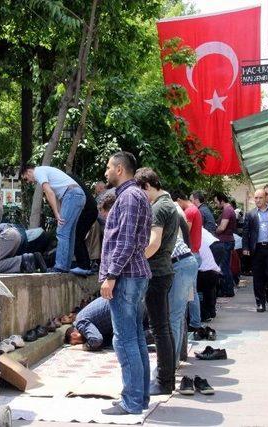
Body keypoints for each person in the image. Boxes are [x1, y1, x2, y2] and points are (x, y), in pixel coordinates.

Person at [99, 152, 152, 416]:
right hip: (133, 275)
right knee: (135, 338)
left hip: (126, 277)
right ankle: (139, 398)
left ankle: (132, 401)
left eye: (109, 167)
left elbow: (126, 241)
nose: (105, 172)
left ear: (120, 169)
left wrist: (110, 276)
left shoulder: (129, 197)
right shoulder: (135, 195)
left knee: (126, 340)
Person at [136, 167, 178, 396]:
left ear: (147, 187)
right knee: (164, 328)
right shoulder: (169, 205)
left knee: (159, 329)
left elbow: (153, 244)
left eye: (140, 192)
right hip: (165, 271)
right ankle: (166, 377)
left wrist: (134, 259)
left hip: (157, 273)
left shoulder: (159, 208)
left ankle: (164, 381)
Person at [20, 165, 85, 273]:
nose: (28, 182)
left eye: (25, 178)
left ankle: (60, 266)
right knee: (69, 233)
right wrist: (59, 212)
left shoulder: (38, 172)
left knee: (62, 232)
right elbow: (58, 196)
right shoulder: (46, 170)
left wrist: (56, 213)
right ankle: (66, 266)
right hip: (78, 195)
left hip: (72, 195)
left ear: (28, 172)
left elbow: (49, 192)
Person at [168, 213, 198, 368]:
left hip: (180, 264)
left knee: (174, 317)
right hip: (185, 261)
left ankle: (171, 365)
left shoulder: (155, 213)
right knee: (177, 316)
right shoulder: (171, 210)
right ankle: (175, 360)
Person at [70, 175, 98, 276]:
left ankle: (84, 266)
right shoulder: (71, 178)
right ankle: (85, 265)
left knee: (77, 236)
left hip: (88, 211)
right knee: (79, 237)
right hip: (91, 210)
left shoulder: (66, 181)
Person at [213, 192, 237, 297]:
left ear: (221, 200)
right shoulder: (229, 209)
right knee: (225, 266)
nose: (216, 205)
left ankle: (228, 290)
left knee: (224, 267)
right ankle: (228, 289)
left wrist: (214, 231)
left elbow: (222, 227)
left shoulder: (227, 210)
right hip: (227, 240)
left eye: (216, 202)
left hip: (225, 241)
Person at [198, 228, 221, 321]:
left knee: (197, 291)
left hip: (206, 271)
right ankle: (211, 311)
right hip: (213, 270)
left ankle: (205, 314)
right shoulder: (201, 231)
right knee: (209, 290)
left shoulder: (194, 236)